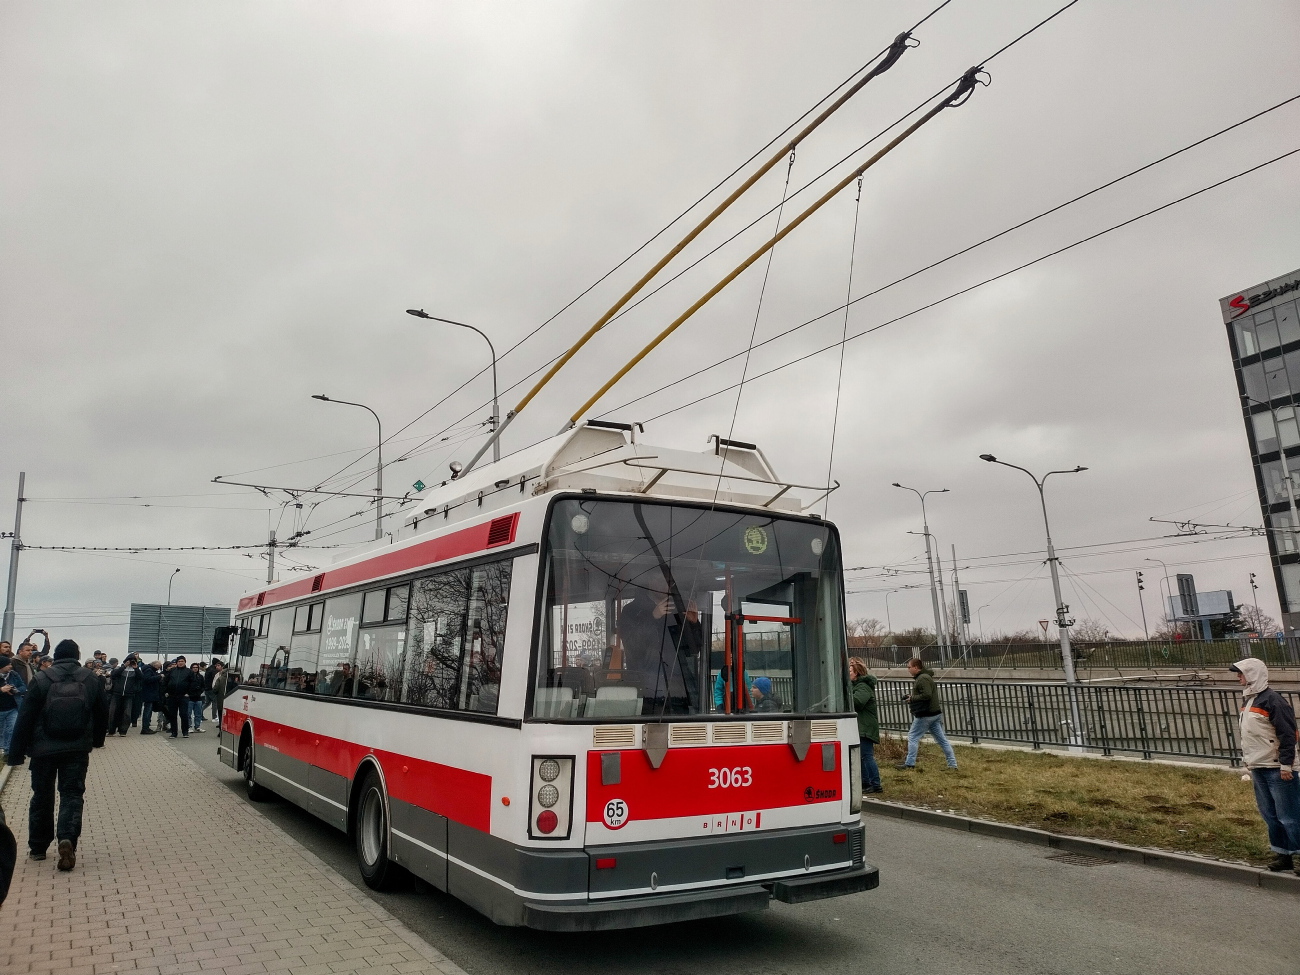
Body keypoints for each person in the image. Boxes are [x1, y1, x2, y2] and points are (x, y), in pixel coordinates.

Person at [5, 639, 109, 871]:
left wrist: (16, 754)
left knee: (41, 796)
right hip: (76, 748)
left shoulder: (42, 678)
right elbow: (102, 711)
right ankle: (67, 839)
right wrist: (97, 741)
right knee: (72, 794)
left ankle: (38, 848)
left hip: (43, 749)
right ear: (77, 654)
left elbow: (26, 717)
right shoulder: (90, 678)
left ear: (56, 655)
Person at [1230, 658, 1300, 874]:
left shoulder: (1273, 701)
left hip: (1277, 768)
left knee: (1289, 816)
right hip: (1259, 767)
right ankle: (1283, 855)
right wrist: (1248, 761)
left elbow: (1289, 735)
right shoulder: (1250, 700)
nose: (1238, 677)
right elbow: (1252, 736)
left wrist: (1286, 765)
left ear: (1252, 674)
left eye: (1241, 673)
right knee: (1270, 815)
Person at [618, 589, 702, 713]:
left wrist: (693, 625)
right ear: (650, 580)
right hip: (647, 692)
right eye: (660, 577)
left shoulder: (678, 609)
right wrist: (653, 617)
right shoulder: (632, 610)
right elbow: (632, 646)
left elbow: (694, 649)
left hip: (679, 690)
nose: (665, 583)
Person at [896, 657, 958, 770]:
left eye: (909, 667)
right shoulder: (924, 677)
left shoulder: (922, 678)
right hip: (934, 714)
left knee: (912, 737)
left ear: (916, 667)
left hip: (925, 714)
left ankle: (909, 764)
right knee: (942, 740)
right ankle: (952, 765)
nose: (908, 670)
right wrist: (912, 697)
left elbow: (927, 695)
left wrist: (912, 698)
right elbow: (925, 694)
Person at [849, 657, 882, 793]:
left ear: (856, 672)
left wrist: (844, 693)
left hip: (866, 726)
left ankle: (875, 783)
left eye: (849, 670)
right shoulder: (857, 686)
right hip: (861, 726)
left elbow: (857, 702)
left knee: (866, 756)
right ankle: (865, 782)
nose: (847, 673)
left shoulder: (863, 687)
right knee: (861, 755)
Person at [163, 656, 200, 738]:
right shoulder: (172, 671)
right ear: (177, 662)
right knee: (172, 715)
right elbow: (165, 681)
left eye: (182, 661)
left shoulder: (188, 672)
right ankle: (173, 732)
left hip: (183, 697)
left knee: (184, 714)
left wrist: (188, 693)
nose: (180, 662)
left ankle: (185, 732)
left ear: (185, 662)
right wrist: (166, 692)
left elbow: (193, 683)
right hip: (172, 696)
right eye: (179, 661)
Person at [106, 656, 142, 737]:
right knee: (113, 712)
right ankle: (111, 730)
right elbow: (113, 675)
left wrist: (136, 668)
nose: (130, 663)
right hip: (116, 694)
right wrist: (124, 666)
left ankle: (123, 731)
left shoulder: (136, 670)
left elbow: (141, 678)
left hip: (129, 695)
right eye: (129, 661)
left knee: (127, 713)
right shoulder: (119, 668)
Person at [0, 656, 25, 759]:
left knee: (12, 729)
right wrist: (1, 690)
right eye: (8, 664)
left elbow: (23, 686)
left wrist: (16, 690)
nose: (10, 666)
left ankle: (8, 752)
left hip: (12, 708)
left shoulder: (14, 675)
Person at [139, 659, 162, 734]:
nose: (158, 668)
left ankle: (146, 727)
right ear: (154, 665)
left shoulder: (150, 670)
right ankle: (145, 728)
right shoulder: (149, 670)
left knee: (148, 712)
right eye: (158, 667)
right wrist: (159, 677)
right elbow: (147, 679)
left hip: (150, 694)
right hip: (149, 694)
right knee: (147, 712)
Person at [188, 662, 206, 732]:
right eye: (194, 667)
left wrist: (200, 691)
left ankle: (197, 726)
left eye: (196, 668)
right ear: (191, 668)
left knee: (198, 713)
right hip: (190, 698)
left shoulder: (200, 676)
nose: (195, 669)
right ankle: (189, 726)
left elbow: (203, 686)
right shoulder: (188, 676)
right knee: (188, 714)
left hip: (198, 697)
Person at [209, 661, 227, 728]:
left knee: (220, 712)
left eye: (218, 665)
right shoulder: (235, 676)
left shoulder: (221, 677)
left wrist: (214, 691)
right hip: (231, 699)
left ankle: (221, 726)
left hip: (220, 697)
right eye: (216, 666)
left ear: (223, 667)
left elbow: (215, 687)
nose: (217, 667)